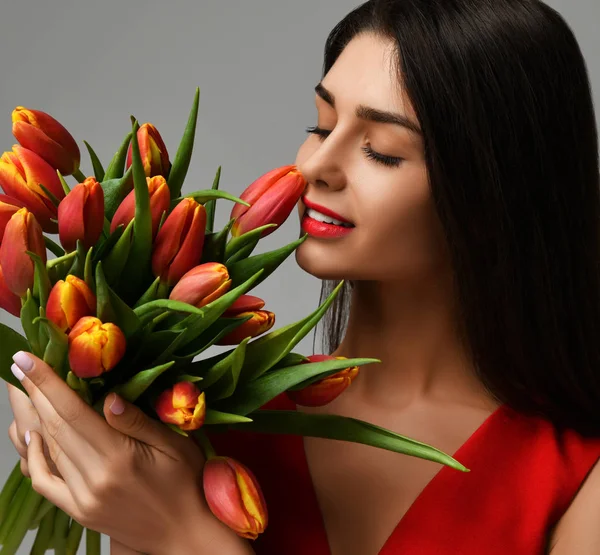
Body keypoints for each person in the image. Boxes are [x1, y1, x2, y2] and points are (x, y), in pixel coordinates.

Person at [5, 0, 600, 553]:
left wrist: (187, 535)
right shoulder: (198, 424)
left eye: (384, 150)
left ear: (498, 191)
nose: (314, 164)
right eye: (320, 125)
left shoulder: (578, 473)